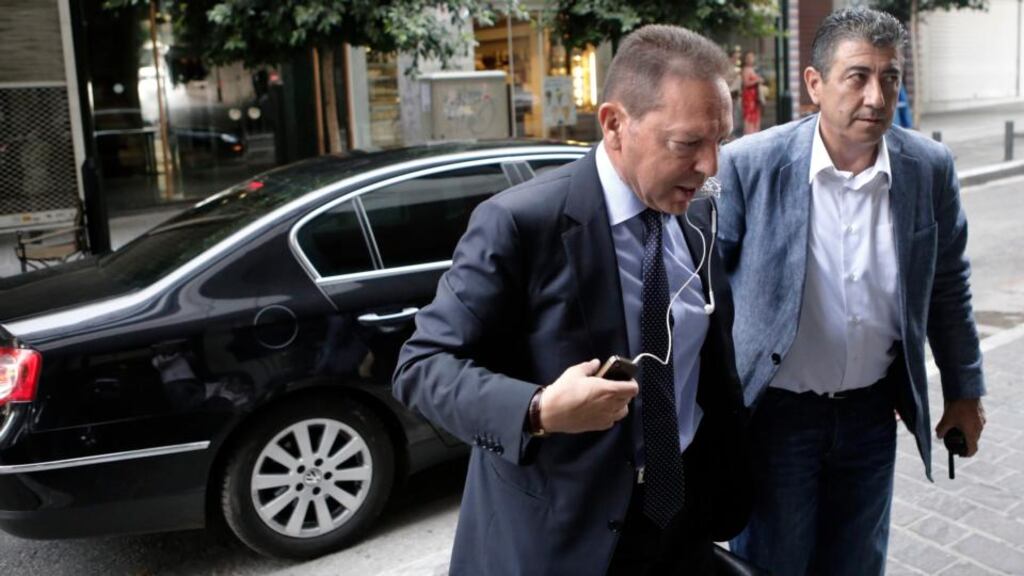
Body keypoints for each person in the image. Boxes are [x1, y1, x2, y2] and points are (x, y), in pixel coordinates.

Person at [393, 24, 749, 576]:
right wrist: (537, 411)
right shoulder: (519, 222)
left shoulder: (696, 212)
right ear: (614, 125)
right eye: (687, 144)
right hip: (566, 536)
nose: (711, 168)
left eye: (719, 141)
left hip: (681, 516)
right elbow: (422, 367)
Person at [717, 8, 986, 576]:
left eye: (890, 77)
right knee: (772, 564)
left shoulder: (928, 168)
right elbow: (706, 298)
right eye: (858, 76)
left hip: (870, 416)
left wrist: (964, 391)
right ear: (815, 85)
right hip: (776, 421)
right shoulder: (749, 164)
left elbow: (947, 285)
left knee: (858, 564)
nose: (877, 96)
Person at [741, 51, 764, 134]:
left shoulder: (753, 69)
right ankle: (749, 134)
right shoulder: (746, 69)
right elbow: (746, 83)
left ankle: (755, 133)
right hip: (749, 97)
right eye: (749, 57)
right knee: (749, 117)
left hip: (755, 97)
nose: (751, 59)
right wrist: (757, 80)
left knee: (756, 117)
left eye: (752, 57)